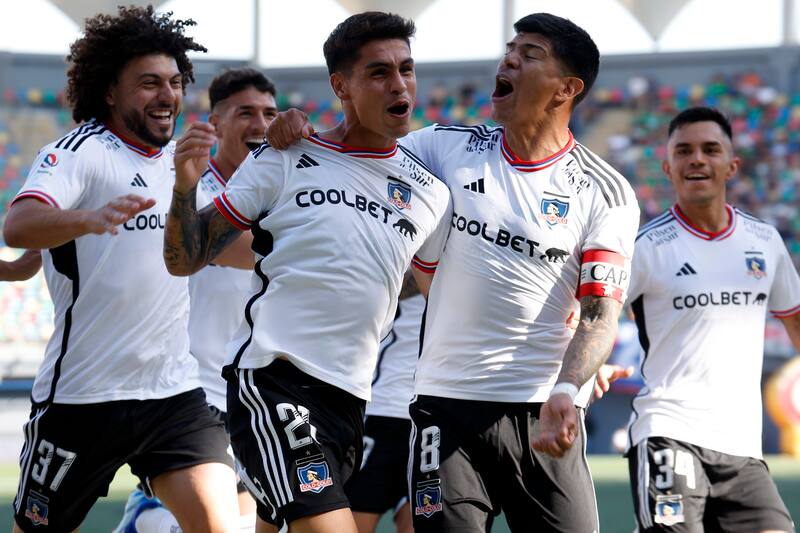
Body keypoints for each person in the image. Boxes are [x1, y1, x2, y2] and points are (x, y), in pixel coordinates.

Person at [267, 12, 639, 532]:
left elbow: (602, 311)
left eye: (530, 54)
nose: (508, 58)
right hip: (446, 410)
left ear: (566, 89)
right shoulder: (441, 149)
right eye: (510, 49)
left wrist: (568, 386)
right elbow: (356, 148)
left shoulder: (606, 192)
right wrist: (302, 130)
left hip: (542, 410)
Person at [161, 11, 451, 533]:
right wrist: (185, 187)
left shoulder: (430, 193)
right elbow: (185, 258)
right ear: (341, 85)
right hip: (273, 383)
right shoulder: (287, 155)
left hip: (351, 399)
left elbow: (431, 289)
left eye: (406, 69)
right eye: (379, 72)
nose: (399, 83)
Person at [2, 6, 238, 532]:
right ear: (110, 92)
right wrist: (87, 218)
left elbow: (235, 246)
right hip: (82, 398)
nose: (167, 95)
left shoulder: (188, 166)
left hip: (171, 394)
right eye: (149, 83)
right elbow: (19, 224)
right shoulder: (80, 153)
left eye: (175, 82)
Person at [114, 67, 278, 533]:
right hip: (194, 392)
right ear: (215, 123)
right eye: (245, 113)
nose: (260, 124)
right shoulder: (188, 188)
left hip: (257, 398)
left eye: (269, 112)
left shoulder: (279, 196)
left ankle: (141, 518)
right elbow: (234, 251)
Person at [626, 106, 799, 533]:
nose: (697, 159)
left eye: (710, 149)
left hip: (743, 449)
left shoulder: (765, 241)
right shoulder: (646, 248)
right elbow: (594, 316)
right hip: (669, 430)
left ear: (732, 165)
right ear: (668, 168)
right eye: (684, 151)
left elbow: (795, 320)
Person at [348, 273, 423, 533]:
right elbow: (376, 281)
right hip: (386, 409)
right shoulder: (417, 240)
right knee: (350, 524)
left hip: (436, 417)